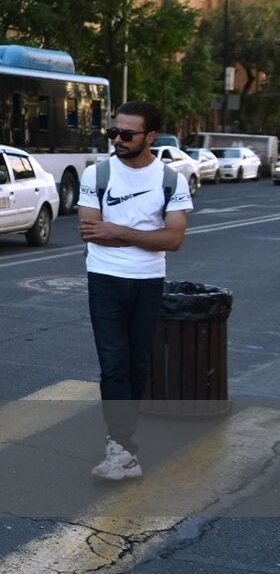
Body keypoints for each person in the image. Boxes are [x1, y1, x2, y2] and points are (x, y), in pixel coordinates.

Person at [77, 100, 191, 481]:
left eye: (127, 134)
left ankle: (124, 450)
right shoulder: (97, 174)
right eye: (114, 132)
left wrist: (119, 231)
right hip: (104, 277)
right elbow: (91, 230)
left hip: (148, 280)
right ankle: (120, 445)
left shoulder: (171, 179)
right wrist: (145, 235)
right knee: (113, 364)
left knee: (137, 363)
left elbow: (174, 239)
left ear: (150, 136)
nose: (118, 139)